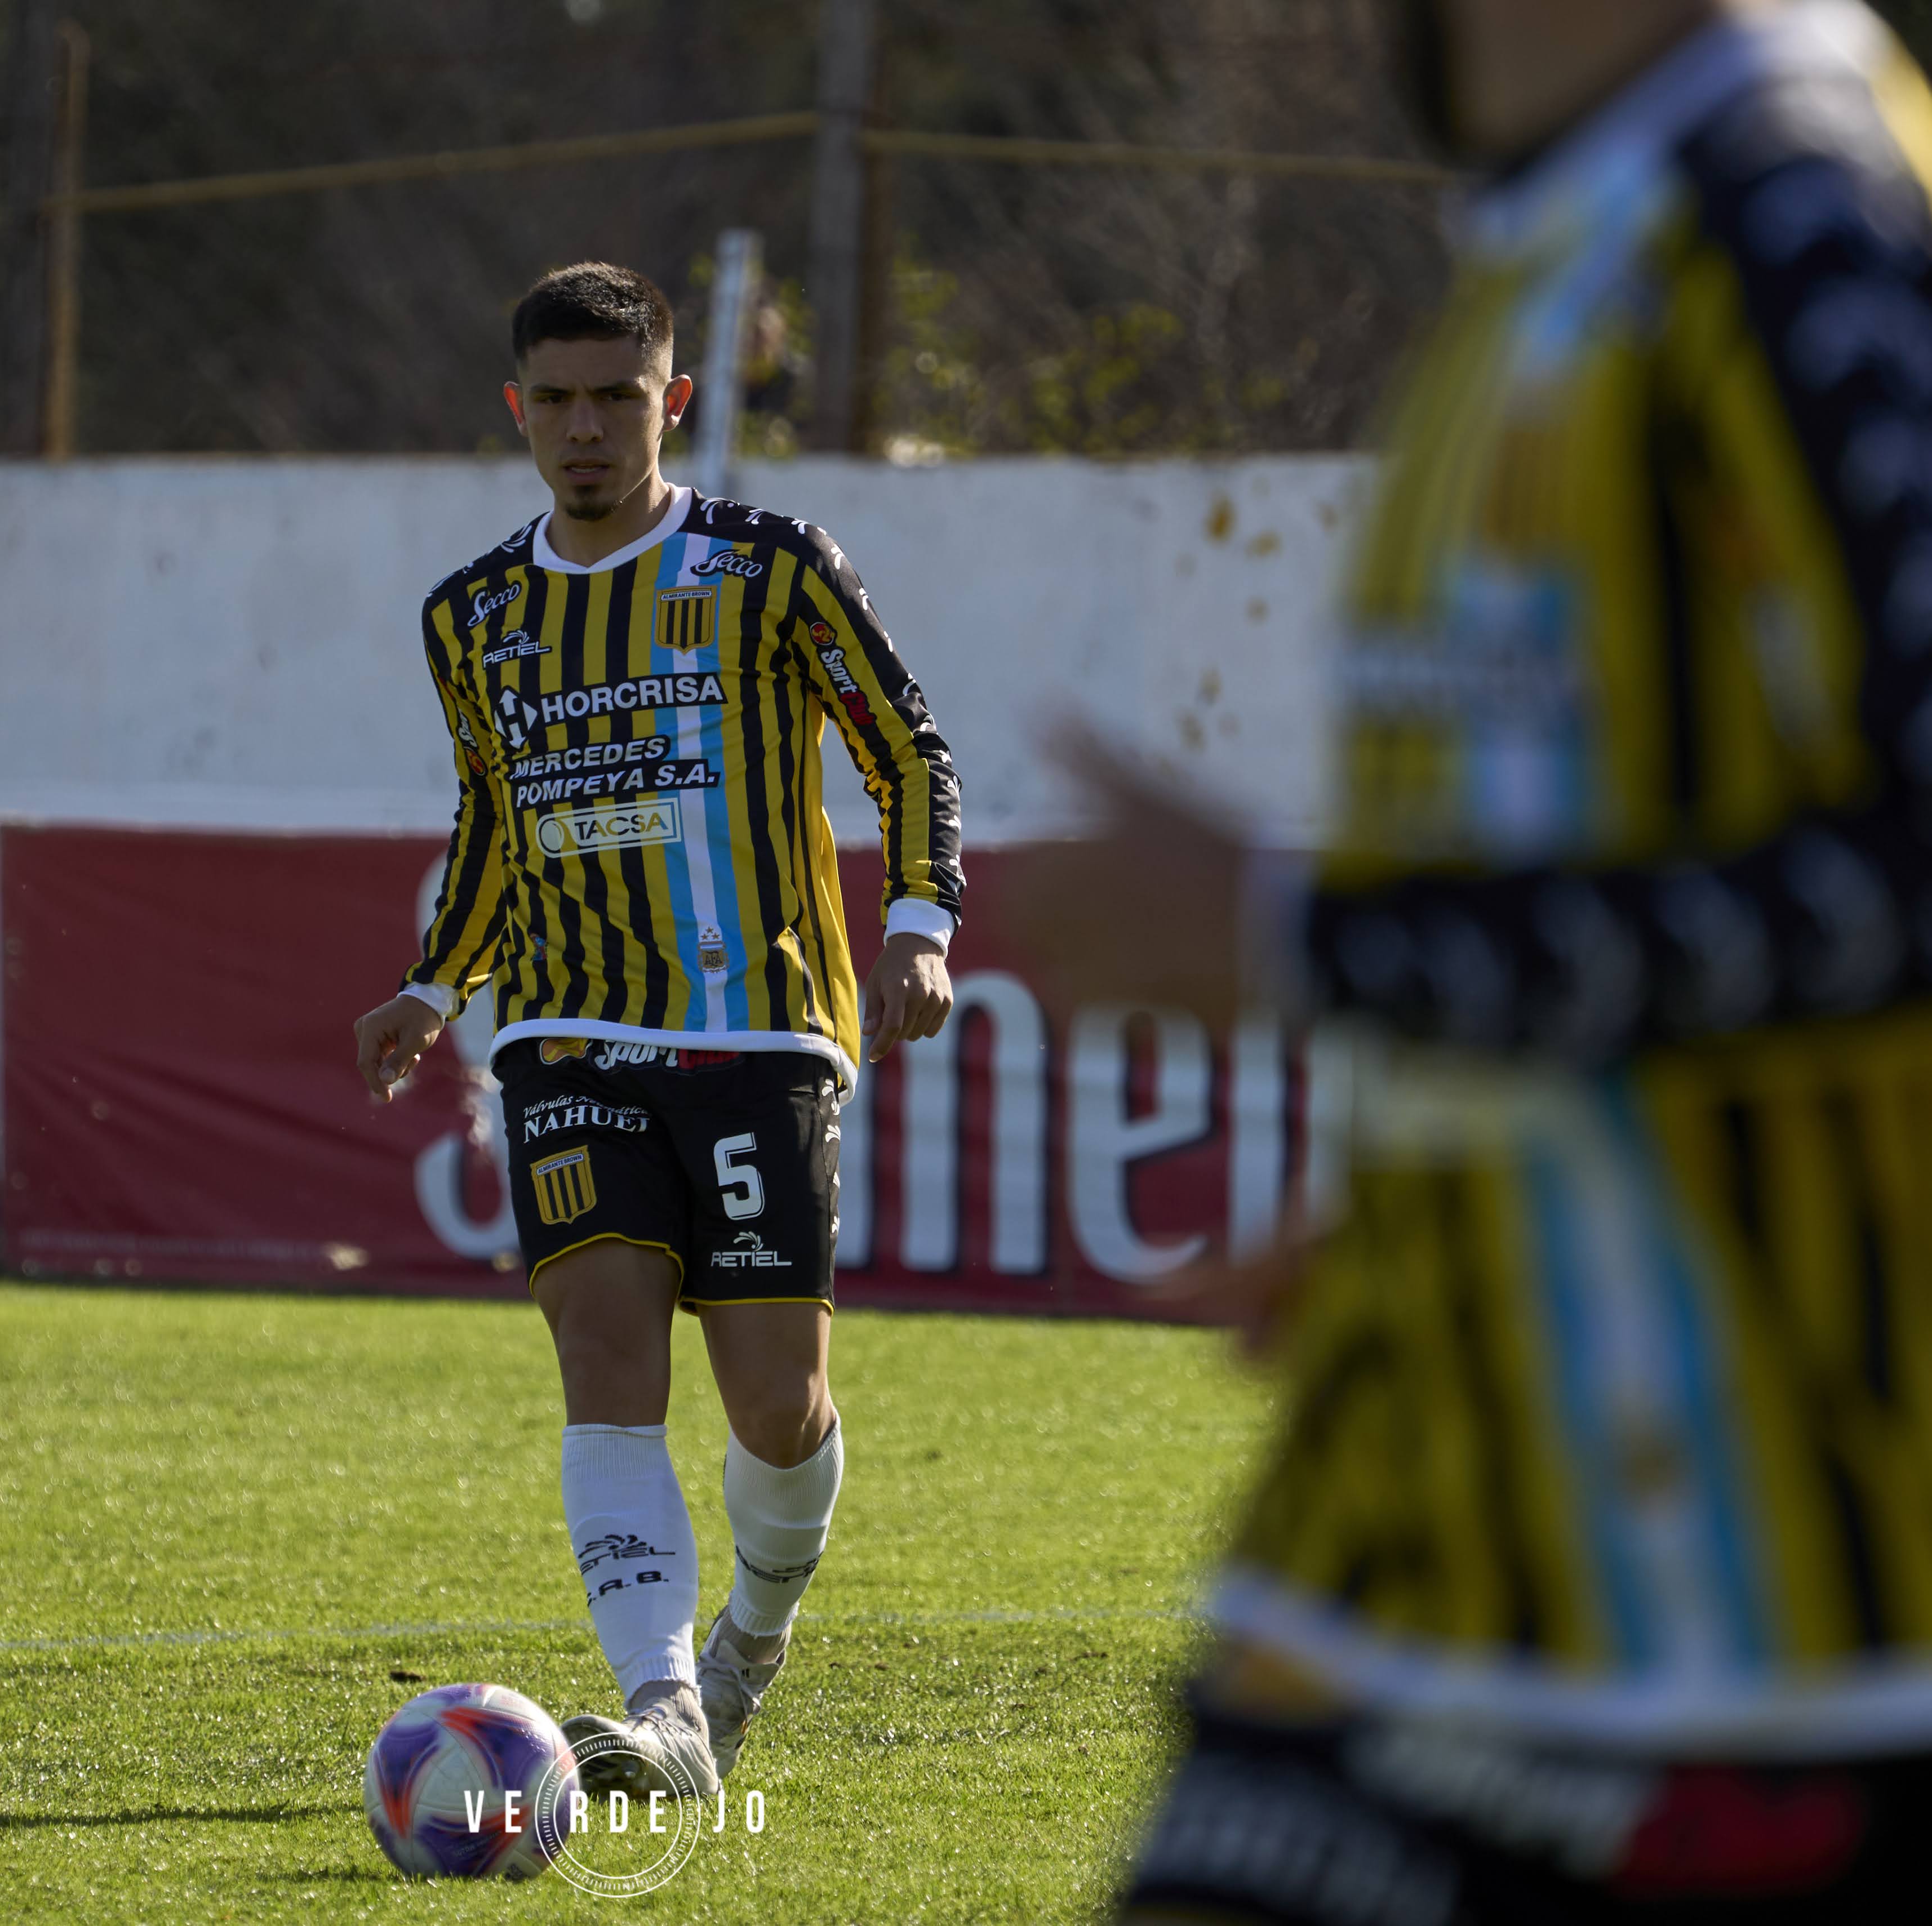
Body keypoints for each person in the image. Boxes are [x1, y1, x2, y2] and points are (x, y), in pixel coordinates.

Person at [1023, 2, 1932, 1918]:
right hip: (1422, 1534)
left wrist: (1293, 940)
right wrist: (1450, 1190)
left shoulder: (1812, 226)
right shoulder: (1564, 227)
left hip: (1768, 1647)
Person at [350, 263, 963, 1798]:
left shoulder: (771, 569)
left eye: (616, 398)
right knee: (603, 1343)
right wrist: (438, 983)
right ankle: (664, 1699)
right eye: (554, 399)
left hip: (761, 1027)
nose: (585, 429)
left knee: (777, 1400)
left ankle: (752, 1639)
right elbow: (495, 813)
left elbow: (907, 748)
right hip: (561, 1027)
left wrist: (922, 926)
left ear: (670, 401)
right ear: (518, 409)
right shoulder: (474, 614)